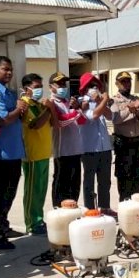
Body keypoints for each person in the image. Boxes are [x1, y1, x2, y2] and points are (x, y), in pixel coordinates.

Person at [0, 56, 26, 249]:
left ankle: (4, 226)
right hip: (1, 153)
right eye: (4, 69)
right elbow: (3, 119)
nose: (8, 73)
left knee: (10, 192)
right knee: (2, 193)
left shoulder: (8, 92)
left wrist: (19, 109)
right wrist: (18, 109)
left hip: (13, 150)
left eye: (10, 70)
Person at [44, 72, 85, 208]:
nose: (63, 87)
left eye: (64, 84)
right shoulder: (51, 103)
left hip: (75, 149)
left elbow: (82, 120)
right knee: (61, 182)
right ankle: (58, 208)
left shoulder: (68, 102)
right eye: (59, 84)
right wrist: (77, 111)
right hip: (62, 150)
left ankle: (72, 208)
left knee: (75, 183)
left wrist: (77, 108)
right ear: (51, 87)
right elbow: (61, 122)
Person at [20, 73, 54, 235]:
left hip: (44, 153)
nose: (39, 90)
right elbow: (36, 124)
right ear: (26, 89)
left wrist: (49, 108)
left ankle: (39, 219)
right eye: (36, 87)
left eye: (41, 86)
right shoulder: (25, 105)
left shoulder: (39, 104)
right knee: (32, 191)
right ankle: (31, 223)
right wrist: (49, 108)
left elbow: (53, 122)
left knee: (41, 190)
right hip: (32, 155)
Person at [78, 72, 114, 215]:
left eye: (96, 85)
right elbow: (93, 116)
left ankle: (105, 207)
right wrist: (104, 100)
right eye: (90, 86)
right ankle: (90, 209)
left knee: (105, 180)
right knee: (89, 181)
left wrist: (101, 101)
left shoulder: (99, 101)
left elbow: (110, 116)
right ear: (85, 88)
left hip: (104, 147)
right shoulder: (82, 102)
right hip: (89, 148)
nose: (94, 88)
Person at [111, 71, 139, 201]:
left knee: (137, 175)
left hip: (137, 142)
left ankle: (136, 202)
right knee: (124, 175)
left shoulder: (136, 99)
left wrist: (137, 109)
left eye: (128, 81)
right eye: (123, 82)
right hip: (124, 144)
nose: (127, 84)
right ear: (117, 84)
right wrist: (130, 110)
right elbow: (116, 119)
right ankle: (124, 201)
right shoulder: (114, 100)